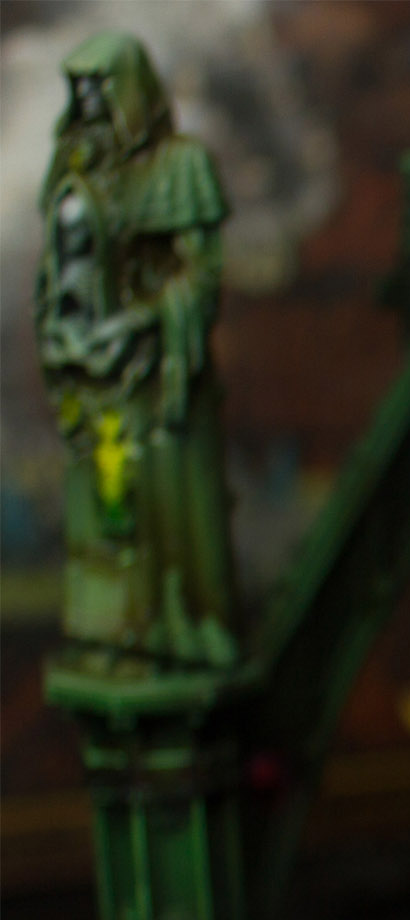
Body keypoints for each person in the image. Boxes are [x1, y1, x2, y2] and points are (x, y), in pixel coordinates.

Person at [37, 31, 236, 671]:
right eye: (80, 88)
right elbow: (58, 275)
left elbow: (200, 275)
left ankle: (172, 635)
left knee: (163, 515)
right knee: (99, 514)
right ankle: (110, 637)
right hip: (92, 375)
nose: (89, 100)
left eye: (100, 86)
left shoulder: (180, 167)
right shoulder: (75, 167)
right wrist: (65, 333)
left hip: (156, 378)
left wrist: (147, 320)